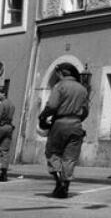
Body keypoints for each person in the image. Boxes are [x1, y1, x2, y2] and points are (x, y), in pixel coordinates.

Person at [38, 63, 89, 198]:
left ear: (61, 73)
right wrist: (76, 119)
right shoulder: (82, 89)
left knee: (52, 152)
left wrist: (43, 115)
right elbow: (86, 111)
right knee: (70, 157)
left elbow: (52, 105)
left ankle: (59, 180)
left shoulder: (60, 86)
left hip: (60, 123)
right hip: (76, 124)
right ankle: (65, 186)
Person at [0, 86, 15, 182]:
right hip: (9, 127)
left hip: (1, 126)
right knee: (5, 150)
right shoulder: (12, 104)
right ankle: (4, 173)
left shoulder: (2, 104)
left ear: (3, 94)